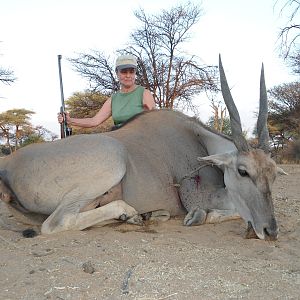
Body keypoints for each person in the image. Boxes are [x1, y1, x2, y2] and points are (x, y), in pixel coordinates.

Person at [58, 55, 155, 130]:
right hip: (120, 140)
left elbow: (154, 122)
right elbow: (94, 121)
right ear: (117, 73)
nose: (128, 75)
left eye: (131, 72)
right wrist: (69, 120)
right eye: (124, 72)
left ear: (135, 73)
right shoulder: (113, 99)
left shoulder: (144, 93)